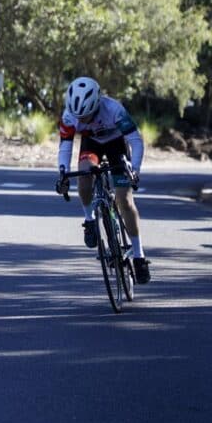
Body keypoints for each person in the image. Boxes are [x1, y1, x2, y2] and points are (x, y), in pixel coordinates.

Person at [54, 76, 151, 284]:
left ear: (97, 105)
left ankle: (139, 255)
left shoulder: (114, 110)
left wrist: (135, 170)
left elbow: (136, 140)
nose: (83, 120)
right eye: (79, 116)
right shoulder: (70, 116)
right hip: (92, 145)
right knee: (84, 174)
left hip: (117, 144)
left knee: (124, 200)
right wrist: (62, 173)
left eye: (87, 115)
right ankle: (89, 220)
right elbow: (65, 147)